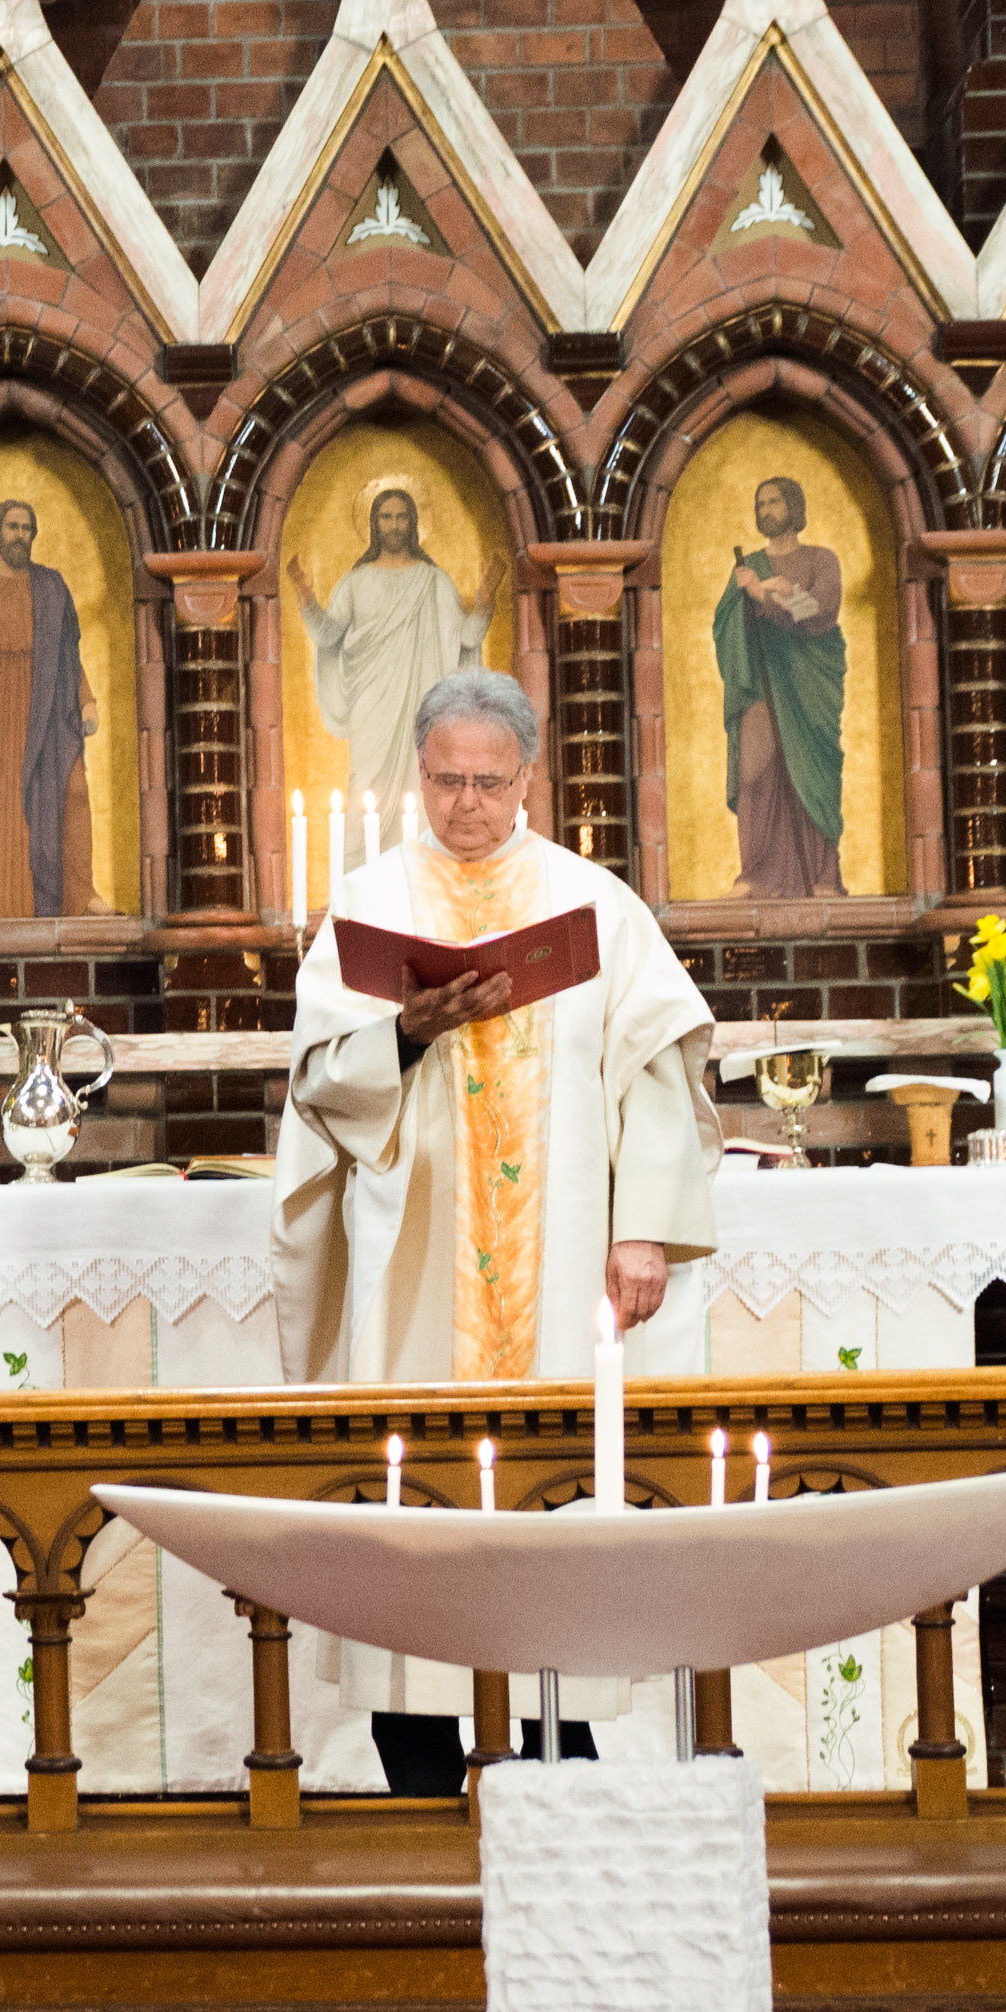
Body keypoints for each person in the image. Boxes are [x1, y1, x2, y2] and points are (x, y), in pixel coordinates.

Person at [272, 670, 723, 1795]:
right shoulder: (371, 906)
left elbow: (657, 1075)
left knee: (554, 1507)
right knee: (411, 1504)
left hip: (564, 1264)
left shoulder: (594, 907)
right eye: (444, 781)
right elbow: (322, 1087)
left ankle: (556, 1757)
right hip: (411, 1262)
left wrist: (644, 1231)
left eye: (487, 781)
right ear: (416, 774)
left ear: (529, 776)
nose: (465, 803)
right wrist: (407, 1035)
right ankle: (416, 1770)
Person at [289, 483, 498, 814]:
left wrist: (486, 598)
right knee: (366, 782)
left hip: (420, 698)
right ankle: (361, 861)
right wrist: (306, 598)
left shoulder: (433, 581)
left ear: (412, 523)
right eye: (386, 517)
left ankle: (423, 859)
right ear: (375, 524)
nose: (394, 525)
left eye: (401, 517)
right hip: (370, 702)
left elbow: (468, 638)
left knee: (420, 779)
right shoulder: (356, 582)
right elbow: (328, 635)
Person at [0, 496, 100, 917]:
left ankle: (79, 896)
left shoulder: (50, 585)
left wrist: (86, 700)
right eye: (12, 527)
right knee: (1, 806)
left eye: (26, 528)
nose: (20, 535)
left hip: (47, 698)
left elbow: (68, 651)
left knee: (72, 790)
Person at [716, 473, 847, 898]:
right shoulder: (747, 566)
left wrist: (769, 595)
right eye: (760, 504)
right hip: (758, 684)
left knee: (813, 769)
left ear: (794, 506)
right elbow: (724, 626)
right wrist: (742, 599)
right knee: (758, 771)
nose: (765, 510)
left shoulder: (821, 559)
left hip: (808, 684)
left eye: (773, 502)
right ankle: (755, 873)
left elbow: (821, 611)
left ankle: (823, 875)